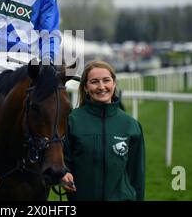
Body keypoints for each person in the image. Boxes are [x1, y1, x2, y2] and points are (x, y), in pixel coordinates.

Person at [61, 60, 145, 201]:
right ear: (85, 88)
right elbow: (63, 161)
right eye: (94, 82)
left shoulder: (131, 125)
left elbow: (137, 176)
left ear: (114, 83)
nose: (101, 87)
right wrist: (63, 174)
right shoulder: (71, 121)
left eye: (106, 80)